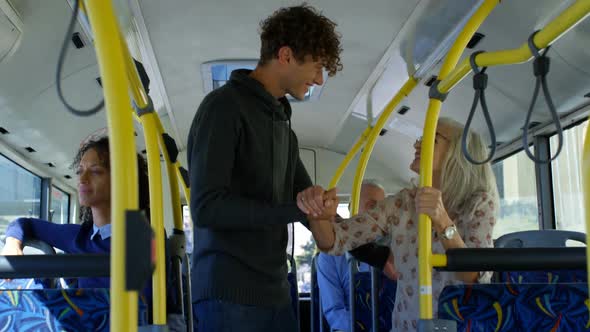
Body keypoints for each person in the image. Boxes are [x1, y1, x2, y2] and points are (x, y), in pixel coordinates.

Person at [186, 4, 345, 332]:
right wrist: (294, 208)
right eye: (316, 67)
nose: (318, 79)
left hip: (276, 293)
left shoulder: (283, 127)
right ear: (286, 55)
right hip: (229, 295)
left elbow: (306, 204)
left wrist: (378, 253)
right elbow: (206, 208)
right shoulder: (223, 108)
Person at [301, 117, 499, 331]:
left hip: (459, 324)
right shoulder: (404, 202)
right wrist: (319, 217)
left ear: (458, 154)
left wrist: (442, 220)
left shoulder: (478, 203)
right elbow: (335, 240)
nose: (416, 144)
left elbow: (474, 277)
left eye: (431, 139)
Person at [1, 136, 150, 289]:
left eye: (95, 171)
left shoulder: (143, 239)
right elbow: (23, 223)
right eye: (80, 171)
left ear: (123, 180)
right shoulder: (79, 236)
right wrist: (12, 243)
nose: (82, 179)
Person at [316, 179, 397, 332]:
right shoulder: (330, 257)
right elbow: (334, 311)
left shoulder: (396, 251)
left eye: (383, 209)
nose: (378, 215)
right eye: (372, 207)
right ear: (351, 208)